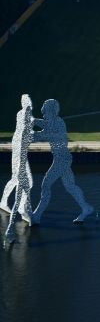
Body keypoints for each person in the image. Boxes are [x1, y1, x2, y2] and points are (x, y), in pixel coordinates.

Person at [33, 99, 94, 224]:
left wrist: (36, 134)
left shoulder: (59, 122)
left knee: (46, 185)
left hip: (62, 159)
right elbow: (44, 125)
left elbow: (50, 135)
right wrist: (32, 120)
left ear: (51, 111)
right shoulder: (52, 122)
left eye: (46, 112)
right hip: (62, 159)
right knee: (70, 186)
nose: (44, 115)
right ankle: (86, 208)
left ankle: (36, 216)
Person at [4, 95, 35, 242]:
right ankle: (14, 223)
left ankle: (5, 202)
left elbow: (27, 130)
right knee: (22, 183)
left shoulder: (24, 114)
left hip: (19, 152)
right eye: (28, 105)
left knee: (17, 180)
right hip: (19, 154)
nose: (30, 107)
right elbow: (26, 134)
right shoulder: (23, 116)